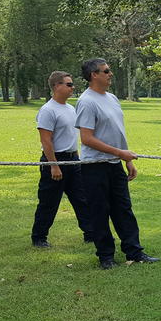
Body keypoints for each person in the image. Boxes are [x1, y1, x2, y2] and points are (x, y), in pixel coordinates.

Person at [75, 58, 160, 269]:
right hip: (94, 166)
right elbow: (87, 138)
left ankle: (134, 251)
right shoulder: (86, 101)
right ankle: (106, 257)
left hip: (115, 164)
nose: (110, 74)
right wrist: (119, 153)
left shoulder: (112, 98)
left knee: (124, 209)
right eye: (106, 71)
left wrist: (126, 159)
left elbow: (117, 131)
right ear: (94, 75)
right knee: (100, 212)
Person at [31, 71, 94, 248]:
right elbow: (46, 140)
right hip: (55, 161)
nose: (72, 88)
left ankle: (90, 233)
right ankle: (39, 238)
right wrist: (54, 165)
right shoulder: (48, 110)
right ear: (56, 86)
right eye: (69, 84)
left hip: (74, 161)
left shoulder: (70, 108)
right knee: (49, 202)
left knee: (82, 199)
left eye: (72, 84)